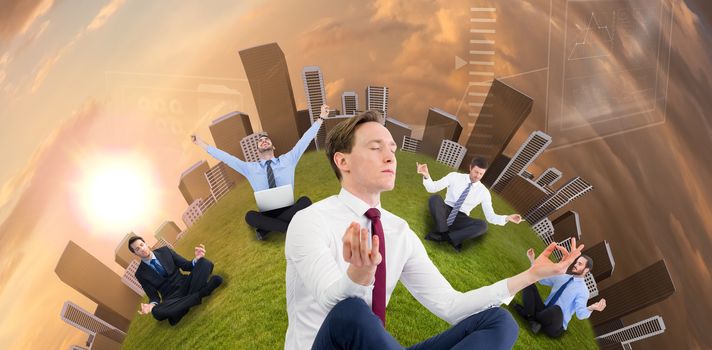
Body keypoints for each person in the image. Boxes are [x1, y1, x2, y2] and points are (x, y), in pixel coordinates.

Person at [284, 110, 585, 349]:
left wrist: (531, 275)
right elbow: (330, 303)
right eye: (376, 148)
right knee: (350, 312)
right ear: (343, 161)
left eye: (392, 149)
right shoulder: (310, 221)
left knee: (499, 322)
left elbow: (451, 305)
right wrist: (357, 278)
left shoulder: (398, 232)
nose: (390, 157)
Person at [192, 104, 330, 240]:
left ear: (273, 146)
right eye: (261, 141)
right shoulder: (250, 168)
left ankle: (265, 230)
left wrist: (321, 118)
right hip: (268, 213)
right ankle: (288, 229)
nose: (264, 141)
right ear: (257, 151)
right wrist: (202, 144)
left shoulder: (288, 159)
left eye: (267, 140)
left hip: (288, 207)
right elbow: (227, 158)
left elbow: (305, 140)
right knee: (250, 216)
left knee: (305, 201)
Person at [416, 157, 523, 252]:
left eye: (481, 174)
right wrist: (426, 175)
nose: (478, 176)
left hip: (461, 218)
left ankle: (444, 237)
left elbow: (490, 216)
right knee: (435, 198)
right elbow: (432, 188)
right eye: (476, 172)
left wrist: (507, 218)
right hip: (445, 211)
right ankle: (445, 233)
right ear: (470, 168)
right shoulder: (454, 176)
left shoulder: (484, 192)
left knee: (482, 225)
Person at [129, 236, 223, 326]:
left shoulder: (165, 251)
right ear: (135, 253)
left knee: (204, 263)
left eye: (141, 245)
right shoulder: (140, 274)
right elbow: (153, 296)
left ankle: (180, 309)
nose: (141, 249)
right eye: (137, 249)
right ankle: (203, 291)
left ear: (145, 243)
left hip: (186, 283)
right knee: (156, 312)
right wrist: (151, 306)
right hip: (171, 297)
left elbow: (186, 265)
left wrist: (196, 259)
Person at [512, 250, 607, 337]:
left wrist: (592, 308)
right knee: (529, 284)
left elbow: (580, 314)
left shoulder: (583, 291)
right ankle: (532, 320)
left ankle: (527, 313)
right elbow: (542, 279)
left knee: (557, 309)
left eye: (580, 264)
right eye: (576, 262)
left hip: (556, 324)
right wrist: (532, 260)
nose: (575, 265)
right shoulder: (563, 276)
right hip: (544, 311)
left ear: (586, 270)